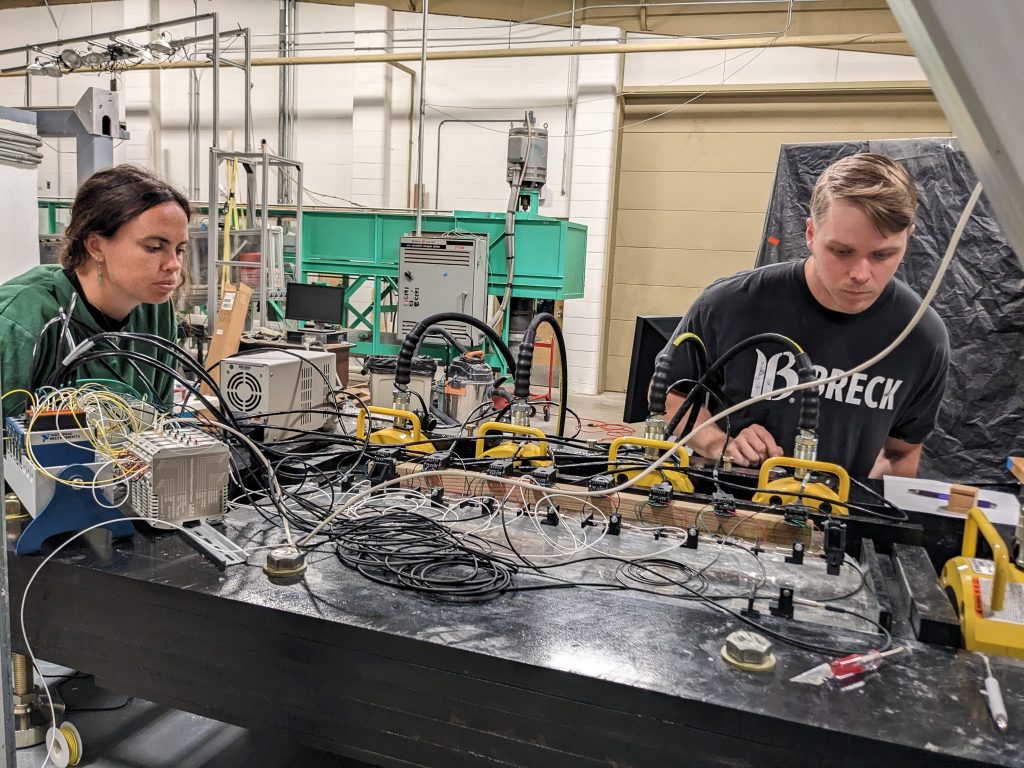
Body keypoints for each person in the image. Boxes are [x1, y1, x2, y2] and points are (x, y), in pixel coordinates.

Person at [663, 153, 949, 478]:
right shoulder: (731, 304)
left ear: (908, 238)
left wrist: (863, 516)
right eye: (842, 251)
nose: (860, 273)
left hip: (834, 516)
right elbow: (671, 395)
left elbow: (900, 453)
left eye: (883, 254)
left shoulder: (920, 337)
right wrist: (717, 443)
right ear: (811, 234)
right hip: (731, 508)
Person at [0, 165, 189, 412]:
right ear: (96, 246)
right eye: (154, 247)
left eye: (180, 249)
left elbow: (162, 423)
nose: (173, 264)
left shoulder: (155, 312)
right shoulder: (20, 322)